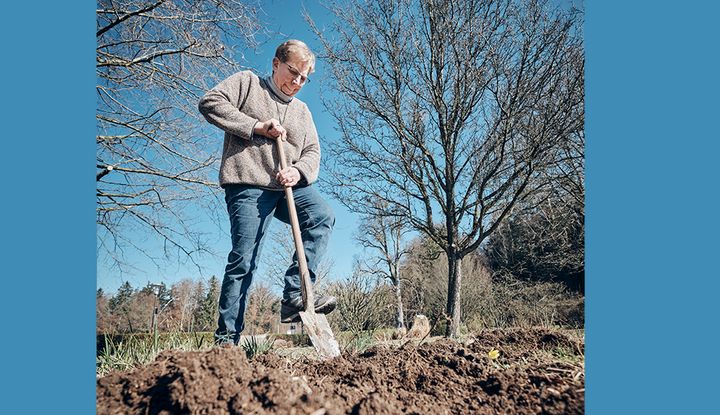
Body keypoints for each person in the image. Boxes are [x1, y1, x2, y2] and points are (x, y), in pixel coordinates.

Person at [199, 40, 336, 346]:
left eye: (304, 78)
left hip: (287, 187)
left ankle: (295, 293)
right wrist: (257, 126)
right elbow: (210, 103)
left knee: (321, 216)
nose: (297, 82)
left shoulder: (302, 112)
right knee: (244, 260)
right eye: (293, 73)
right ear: (276, 64)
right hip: (249, 184)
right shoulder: (248, 83)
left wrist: (298, 171)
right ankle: (226, 342)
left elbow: (313, 151)